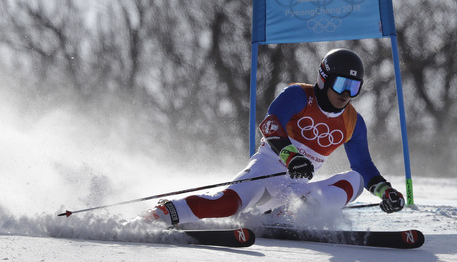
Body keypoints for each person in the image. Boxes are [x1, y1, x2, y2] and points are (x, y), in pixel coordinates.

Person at [137, 48, 405, 227]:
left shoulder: (353, 122)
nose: (346, 93)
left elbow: (364, 166)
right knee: (229, 204)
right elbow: (270, 123)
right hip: (267, 168)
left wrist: (385, 191)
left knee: (356, 179)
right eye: (341, 84)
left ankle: (285, 216)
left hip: (296, 188)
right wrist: (291, 156)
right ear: (324, 78)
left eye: (354, 87)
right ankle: (160, 213)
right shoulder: (300, 95)